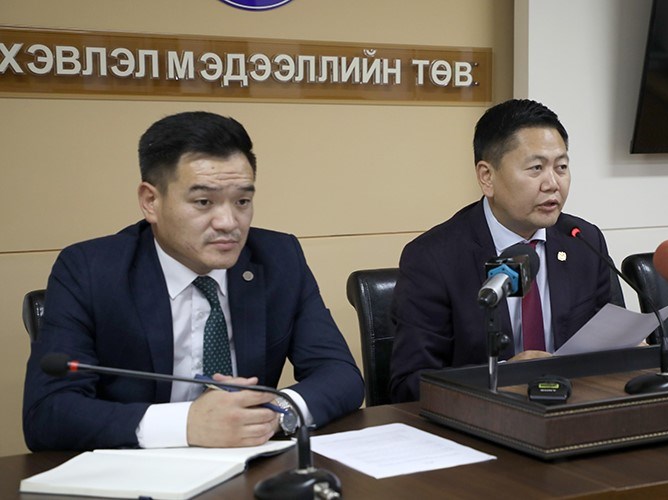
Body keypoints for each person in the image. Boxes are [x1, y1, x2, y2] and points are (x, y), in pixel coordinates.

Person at [23, 111, 364, 451]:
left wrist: (275, 413)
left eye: (242, 201)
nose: (229, 222)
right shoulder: (90, 270)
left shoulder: (279, 258)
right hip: (138, 467)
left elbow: (340, 375)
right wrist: (186, 424)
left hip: (251, 463)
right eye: (204, 202)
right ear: (151, 201)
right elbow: (49, 412)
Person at [389, 99, 619, 402]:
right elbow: (409, 384)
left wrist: (628, 351)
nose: (553, 183)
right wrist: (503, 376)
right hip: (483, 419)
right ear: (487, 177)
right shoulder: (434, 258)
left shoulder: (583, 241)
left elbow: (612, 336)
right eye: (536, 168)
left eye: (561, 167)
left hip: (573, 411)